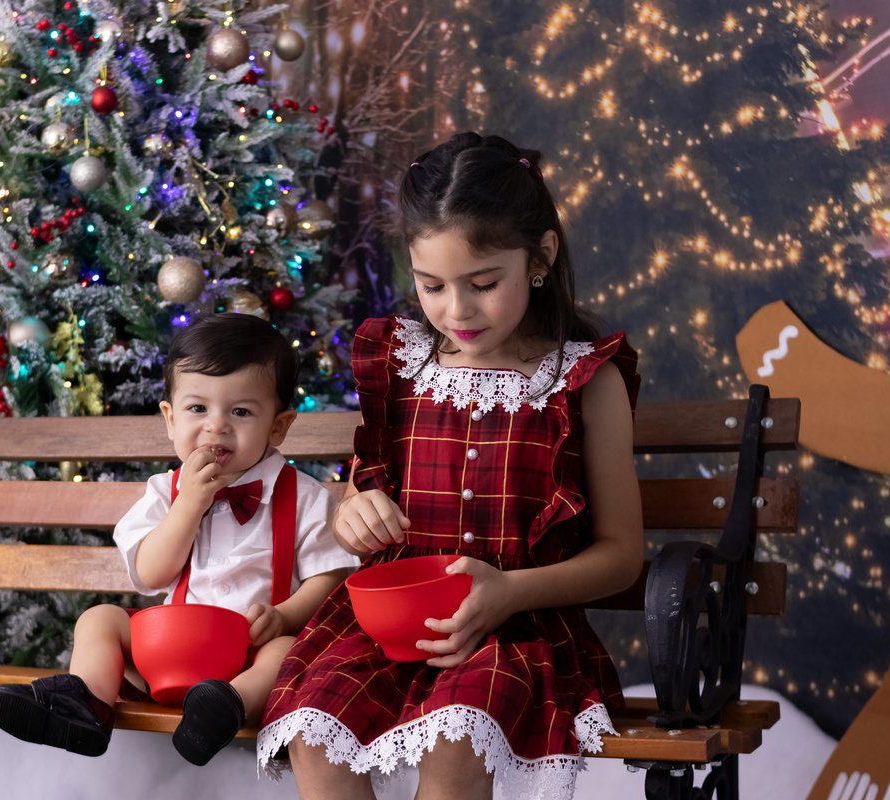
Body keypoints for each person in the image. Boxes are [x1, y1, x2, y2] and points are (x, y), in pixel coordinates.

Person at [256, 132, 645, 800]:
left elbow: (621, 555)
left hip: (514, 631)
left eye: (483, 283)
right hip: (385, 628)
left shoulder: (583, 380)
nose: (456, 311)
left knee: (455, 738)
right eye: (431, 284)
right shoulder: (400, 364)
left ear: (540, 258)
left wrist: (509, 592)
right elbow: (365, 487)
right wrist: (356, 514)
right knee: (314, 735)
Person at [0, 312, 360, 766]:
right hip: (168, 655)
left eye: (240, 412)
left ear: (277, 427)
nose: (215, 426)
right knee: (100, 619)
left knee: (286, 653)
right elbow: (149, 574)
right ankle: (86, 705)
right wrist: (187, 508)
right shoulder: (165, 492)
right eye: (197, 409)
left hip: (249, 656)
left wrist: (283, 617)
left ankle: (224, 708)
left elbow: (331, 577)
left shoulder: (302, 496)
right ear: (169, 418)